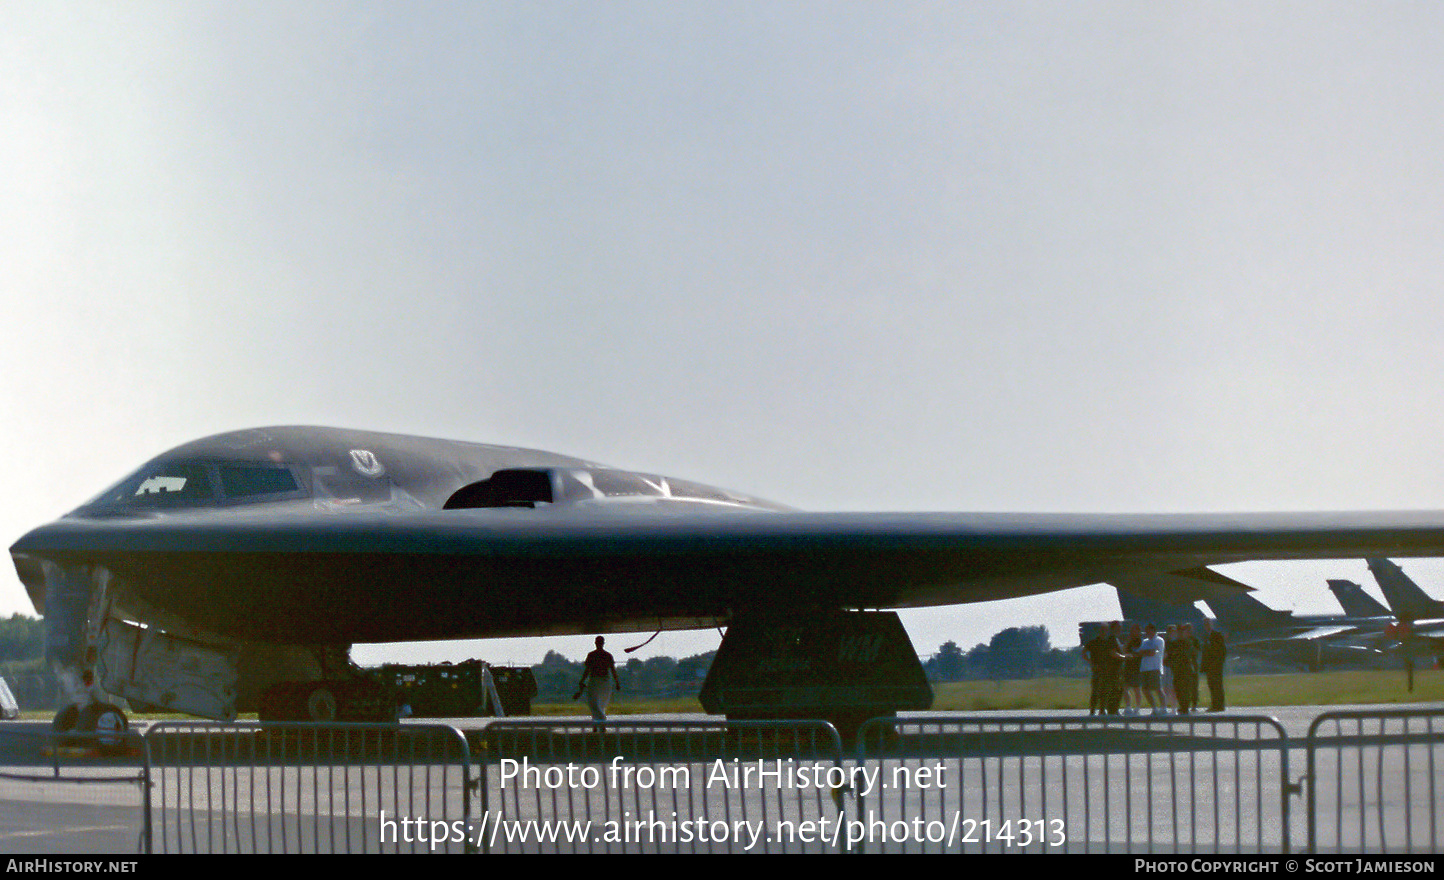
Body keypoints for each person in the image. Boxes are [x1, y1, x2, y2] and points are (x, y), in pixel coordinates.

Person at [574, 636, 622, 727]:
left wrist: (582, 681)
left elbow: (588, 670)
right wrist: (617, 682)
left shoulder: (596, 655)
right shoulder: (603, 655)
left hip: (600, 681)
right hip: (601, 681)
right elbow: (612, 670)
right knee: (597, 704)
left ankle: (600, 722)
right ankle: (598, 723)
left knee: (596, 704)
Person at [1083, 623, 1123, 716]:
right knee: (1095, 690)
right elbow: (1084, 652)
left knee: (1105, 691)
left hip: (1107, 670)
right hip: (1097, 669)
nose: (1104, 632)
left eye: (1106, 630)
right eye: (1102, 630)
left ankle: (1102, 710)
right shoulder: (1093, 642)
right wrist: (1091, 662)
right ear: (1099, 631)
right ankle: (1092, 711)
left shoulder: (1108, 642)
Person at [1169, 623, 1200, 714]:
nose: (1180, 633)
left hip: (1186, 669)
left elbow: (1192, 654)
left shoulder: (1188, 642)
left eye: (1182, 632)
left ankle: (1185, 706)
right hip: (1177, 669)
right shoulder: (1174, 643)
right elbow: (1171, 655)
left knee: (1185, 688)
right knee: (1178, 688)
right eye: (1179, 632)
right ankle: (1182, 705)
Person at [1137, 623, 1166, 715]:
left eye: (1148, 630)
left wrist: (1146, 652)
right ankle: (1154, 708)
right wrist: (1146, 652)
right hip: (1144, 668)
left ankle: (1163, 708)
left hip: (1155, 668)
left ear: (1153, 630)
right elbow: (1140, 652)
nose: (1146, 632)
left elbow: (1153, 652)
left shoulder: (1159, 640)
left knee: (1158, 689)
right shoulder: (1144, 641)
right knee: (1145, 690)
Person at [1201, 619, 1227, 712]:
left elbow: (1222, 650)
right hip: (1209, 666)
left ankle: (1220, 705)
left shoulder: (1217, 635)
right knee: (1211, 685)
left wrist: (1218, 663)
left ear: (1211, 624)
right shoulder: (1205, 636)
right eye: (1205, 624)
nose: (1206, 625)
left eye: (1208, 623)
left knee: (1217, 685)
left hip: (1216, 665)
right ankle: (1214, 704)